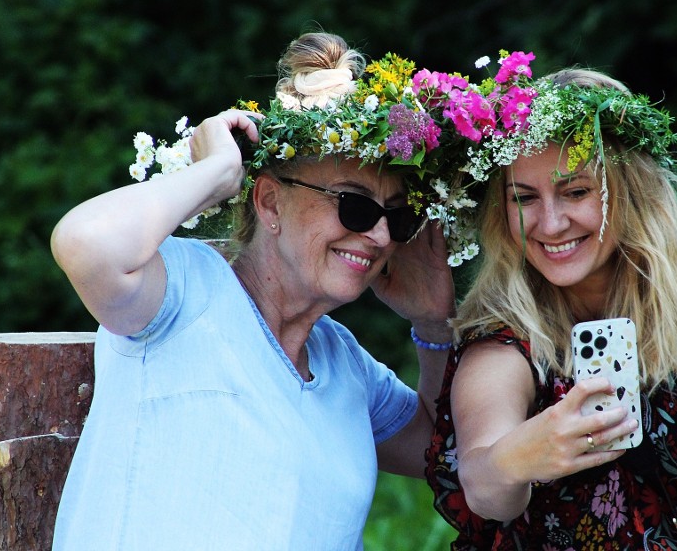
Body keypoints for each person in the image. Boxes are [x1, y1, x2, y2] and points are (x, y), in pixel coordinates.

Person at [50, 32, 466, 550]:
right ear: (269, 204)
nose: (380, 236)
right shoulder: (185, 291)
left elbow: (447, 452)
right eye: (354, 206)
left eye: (396, 216)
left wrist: (433, 324)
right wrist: (219, 171)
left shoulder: (344, 362)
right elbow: (83, 241)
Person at [425, 63, 677, 549]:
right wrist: (522, 456)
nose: (551, 223)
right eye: (524, 198)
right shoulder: (500, 331)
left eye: (576, 191)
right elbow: (484, 486)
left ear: (629, 190)